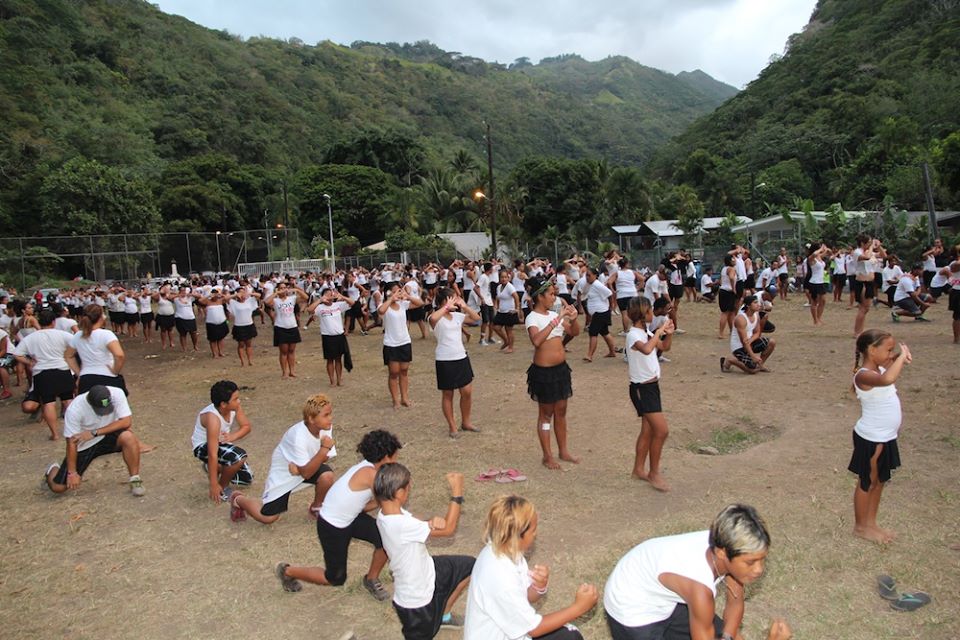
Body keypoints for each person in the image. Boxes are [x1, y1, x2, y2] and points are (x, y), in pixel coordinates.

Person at [604, 504, 791, 640]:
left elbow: (735, 604)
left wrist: (727, 637)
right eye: (751, 562)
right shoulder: (699, 587)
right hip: (631, 609)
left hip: (661, 594)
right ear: (722, 553)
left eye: (762, 559)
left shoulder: (725, 545)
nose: (759, 569)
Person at [275, 429, 401, 601]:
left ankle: (371, 579)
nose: (397, 458)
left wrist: (382, 503)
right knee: (334, 578)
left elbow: (367, 505)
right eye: (395, 455)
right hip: (332, 526)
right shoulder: (370, 475)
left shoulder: (369, 466)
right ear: (386, 457)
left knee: (385, 538)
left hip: (351, 517)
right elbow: (390, 507)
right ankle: (287, 571)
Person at [463, 495, 598, 640]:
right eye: (532, 530)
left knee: (569, 634)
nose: (535, 534)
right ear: (516, 536)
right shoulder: (500, 576)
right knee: (570, 636)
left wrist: (538, 587)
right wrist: (578, 608)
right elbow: (534, 629)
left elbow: (524, 597)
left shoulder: (506, 550)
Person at [375, 464, 473, 639]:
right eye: (408, 487)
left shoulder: (385, 514)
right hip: (415, 600)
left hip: (428, 569)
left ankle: (444, 616)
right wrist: (457, 492)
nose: (409, 490)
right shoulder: (401, 525)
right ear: (398, 493)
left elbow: (413, 524)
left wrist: (430, 523)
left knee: (469, 566)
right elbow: (449, 529)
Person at [230, 393, 337, 524]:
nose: (330, 418)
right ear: (311, 419)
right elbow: (308, 472)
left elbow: (324, 459)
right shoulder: (298, 436)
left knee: (327, 476)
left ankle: (316, 507)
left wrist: (300, 469)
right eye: (326, 415)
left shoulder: (325, 427)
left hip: (303, 467)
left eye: (330, 414)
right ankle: (238, 499)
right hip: (284, 474)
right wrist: (323, 449)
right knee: (268, 518)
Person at [849, 329, 910, 543]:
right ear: (872, 350)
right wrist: (901, 357)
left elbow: (888, 367)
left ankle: (871, 523)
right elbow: (887, 378)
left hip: (886, 436)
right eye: (888, 349)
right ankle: (860, 527)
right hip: (871, 438)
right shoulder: (863, 375)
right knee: (867, 481)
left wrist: (897, 356)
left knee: (879, 481)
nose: (891, 353)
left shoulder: (880, 367)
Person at [42, 385, 146, 497]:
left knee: (128, 437)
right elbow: (71, 442)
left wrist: (95, 432)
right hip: (84, 445)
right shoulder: (74, 410)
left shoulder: (117, 393)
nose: (105, 413)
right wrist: (72, 473)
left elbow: (126, 421)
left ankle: (135, 479)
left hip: (106, 434)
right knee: (58, 487)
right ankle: (52, 468)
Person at [525, 278, 581, 470]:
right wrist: (557, 319)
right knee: (546, 415)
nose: (554, 297)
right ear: (540, 297)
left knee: (561, 411)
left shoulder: (553, 314)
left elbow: (574, 332)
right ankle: (547, 455)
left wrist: (573, 319)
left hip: (560, 370)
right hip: (544, 373)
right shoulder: (532, 318)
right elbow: (536, 340)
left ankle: (563, 451)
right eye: (550, 294)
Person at [626, 296, 674, 491]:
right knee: (662, 431)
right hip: (642, 389)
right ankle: (653, 473)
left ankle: (638, 469)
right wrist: (659, 332)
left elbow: (664, 347)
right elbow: (646, 349)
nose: (653, 313)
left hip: (651, 387)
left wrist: (668, 334)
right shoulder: (633, 335)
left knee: (648, 431)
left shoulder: (645, 331)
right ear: (642, 313)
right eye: (650, 310)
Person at [13, 308, 75, 440]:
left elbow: (17, 354)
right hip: (62, 369)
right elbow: (77, 345)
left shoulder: (31, 338)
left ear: (39, 322)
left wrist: (29, 362)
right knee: (68, 400)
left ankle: (55, 434)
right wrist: (68, 355)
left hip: (42, 372)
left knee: (48, 403)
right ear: (53, 322)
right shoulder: (63, 335)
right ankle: (73, 430)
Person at [429, 287, 481, 438]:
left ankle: (466, 422)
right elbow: (433, 319)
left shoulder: (457, 316)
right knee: (448, 394)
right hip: (445, 359)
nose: (456, 301)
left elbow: (476, 319)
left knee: (467, 392)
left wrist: (465, 306)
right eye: (452, 298)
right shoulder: (435, 317)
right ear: (444, 301)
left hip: (461, 357)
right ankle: (452, 427)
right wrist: (446, 307)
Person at [191, 380, 253, 503]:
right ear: (223, 404)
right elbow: (212, 453)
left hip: (221, 445)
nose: (239, 401)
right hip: (203, 447)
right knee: (239, 457)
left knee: (246, 479)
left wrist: (232, 437)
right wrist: (214, 484)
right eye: (235, 399)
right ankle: (222, 487)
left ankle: (215, 467)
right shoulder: (212, 418)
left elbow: (246, 426)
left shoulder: (235, 407)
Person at [378, 282, 425, 409]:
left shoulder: (403, 304)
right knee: (394, 372)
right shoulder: (384, 305)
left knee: (404, 371)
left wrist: (407, 296)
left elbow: (420, 303)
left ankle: (404, 398)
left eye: (399, 290)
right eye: (394, 291)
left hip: (404, 341)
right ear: (388, 292)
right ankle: (395, 400)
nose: (398, 293)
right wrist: (391, 299)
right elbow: (380, 311)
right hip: (391, 343)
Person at [65, 304, 127, 396]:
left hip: (86, 378)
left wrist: (79, 373)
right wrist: (115, 371)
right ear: (100, 317)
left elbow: (68, 356)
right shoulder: (106, 334)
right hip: (107, 376)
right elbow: (119, 355)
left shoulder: (78, 336)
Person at [308, 286, 354, 386]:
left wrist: (342, 297)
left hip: (339, 335)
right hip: (327, 336)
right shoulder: (320, 308)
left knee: (338, 359)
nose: (330, 297)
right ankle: (332, 381)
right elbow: (310, 309)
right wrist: (320, 300)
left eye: (331, 295)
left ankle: (339, 380)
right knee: (330, 359)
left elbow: (353, 303)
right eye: (327, 295)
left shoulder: (338, 305)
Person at [264, 281, 308, 378]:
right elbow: (266, 302)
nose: (283, 290)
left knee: (291, 350)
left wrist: (296, 290)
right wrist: (276, 293)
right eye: (281, 288)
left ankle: (292, 371)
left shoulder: (292, 298)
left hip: (292, 326)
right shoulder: (275, 301)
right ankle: (284, 372)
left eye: (285, 288)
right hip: (280, 327)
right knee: (283, 351)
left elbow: (306, 297)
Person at [721, 296, 776, 374]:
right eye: (755, 303)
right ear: (748, 305)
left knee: (771, 342)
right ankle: (730, 360)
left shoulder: (756, 315)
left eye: (758, 302)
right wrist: (753, 356)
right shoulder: (740, 319)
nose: (758, 304)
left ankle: (760, 365)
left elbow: (757, 332)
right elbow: (744, 341)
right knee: (752, 370)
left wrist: (750, 340)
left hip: (749, 342)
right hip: (739, 347)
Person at [852, 234, 886, 337]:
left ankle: (860, 331)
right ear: (863, 243)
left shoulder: (869, 252)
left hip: (870, 282)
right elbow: (866, 258)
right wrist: (871, 247)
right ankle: (857, 332)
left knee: (866, 308)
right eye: (868, 243)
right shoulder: (857, 252)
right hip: (862, 282)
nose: (870, 245)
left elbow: (884, 256)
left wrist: (879, 246)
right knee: (862, 308)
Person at [583, 267, 616, 362]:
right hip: (600, 312)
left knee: (593, 333)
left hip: (600, 312)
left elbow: (609, 293)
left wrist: (611, 306)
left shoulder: (597, 285)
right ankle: (612, 352)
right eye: (586, 275)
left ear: (595, 276)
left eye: (589, 275)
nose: (587, 277)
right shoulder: (592, 285)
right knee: (605, 333)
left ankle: (589, 355)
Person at [226, 286, 260, 366]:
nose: (242, 294)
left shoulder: (249, 301)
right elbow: (226, 298)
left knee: (249, 344)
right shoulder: (233, 303)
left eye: (243, 292)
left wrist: (248, 293)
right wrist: (236, 295)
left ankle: (250, 360)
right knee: (241, 344)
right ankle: (242, 361)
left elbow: (258, 295)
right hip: (239, 326)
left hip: (249, 324)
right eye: (240, 292)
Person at [492, 269, 522, 353]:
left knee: (508, 330)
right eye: (502, 277)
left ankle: (511, 347)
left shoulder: (510, 287)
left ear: (508, 278)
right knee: (495, 327)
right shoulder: (498, 287)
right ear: (499, 278)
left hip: (510, 311)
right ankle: (506, 341)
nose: (504, 279)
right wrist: (497, 306)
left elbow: (516, 297)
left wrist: (517, 309)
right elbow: (498, 297)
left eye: (505, 277)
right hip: (501, 311)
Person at [716, 255, 738, 339]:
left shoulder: (724, 269)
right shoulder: (731, 269)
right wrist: (733, 288)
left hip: (723, 290)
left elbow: (722, 280)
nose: (735, 260)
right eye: (733, 259)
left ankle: (732, 331)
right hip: (728, 291)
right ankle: (721, 333)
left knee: (731, 312)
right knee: (726, 313)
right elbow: (731, 278)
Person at [475, 263, 496, 345]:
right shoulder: (483, 277)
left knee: (492, 320)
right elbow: (476, 288)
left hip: (489, 301)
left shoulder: (488, 277)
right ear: (490, 269)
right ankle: (482, 339)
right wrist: (481, 298)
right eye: (492, 268)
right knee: (485, 321)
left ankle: (490, 337)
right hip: (484, 302)